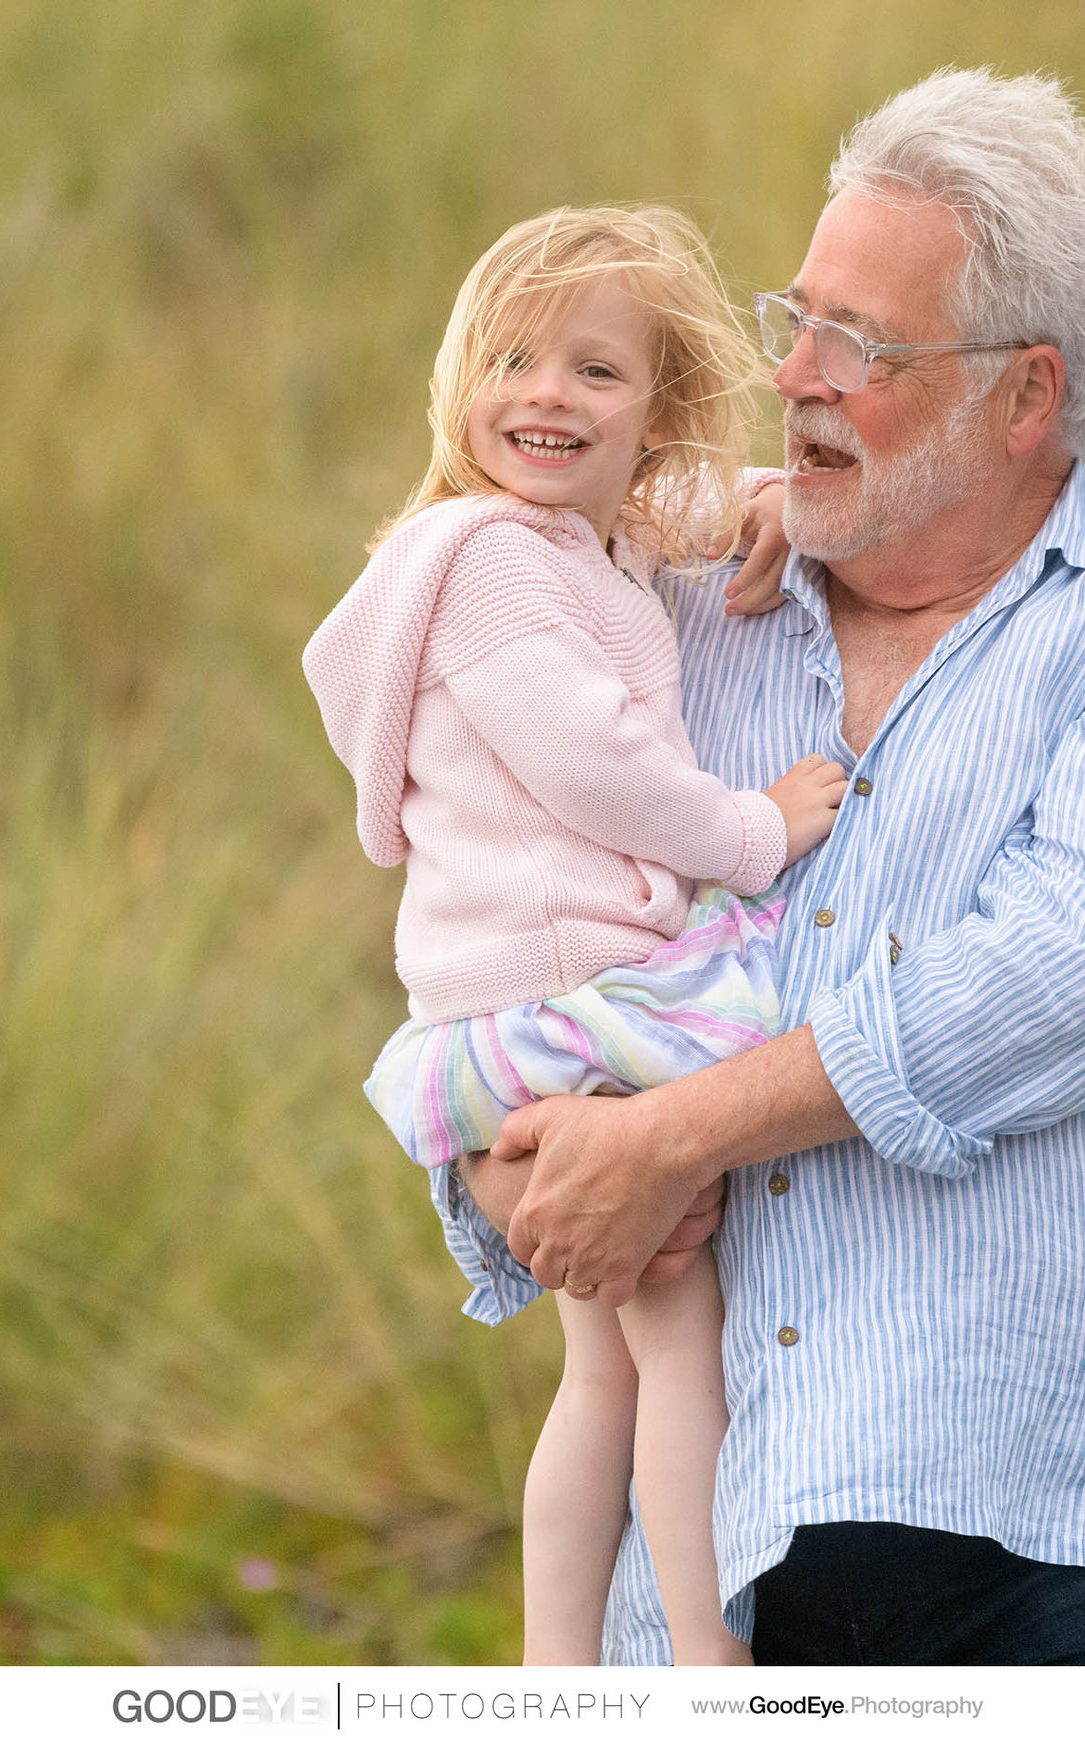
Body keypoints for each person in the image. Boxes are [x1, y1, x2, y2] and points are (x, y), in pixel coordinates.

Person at [446, 68, 1085, 1664]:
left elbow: (1072, 973)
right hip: (716, 1577)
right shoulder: (671, 619)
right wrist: (507, 1163)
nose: (790, 374)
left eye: (858, 344)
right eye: (797, 316)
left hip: (1067, 1553)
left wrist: (675, 1132)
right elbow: (508, 904)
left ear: (1023, 396)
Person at [301, 205, 846, 1664]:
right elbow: (593, 760)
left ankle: (559, 1673)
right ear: (459, 383)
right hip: (573, 1000)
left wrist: (775, 497)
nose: (548, 393)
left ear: (653, 416)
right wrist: (756, 829)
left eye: (597, 373)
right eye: (514, 359)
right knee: (680, 1336)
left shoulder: (573, 540)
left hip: (515, 1008)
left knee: (598, 1367)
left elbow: (684, 517)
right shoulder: (493, 565)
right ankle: (702, 1655)